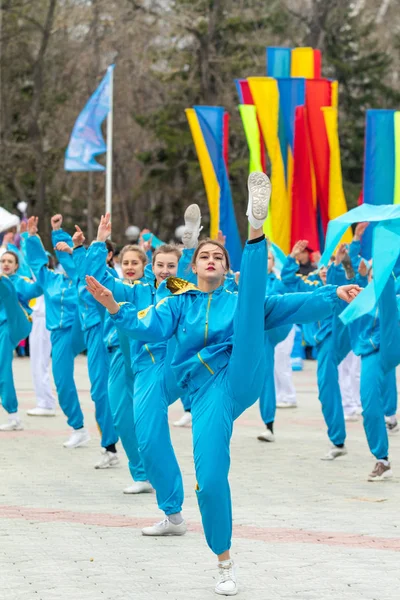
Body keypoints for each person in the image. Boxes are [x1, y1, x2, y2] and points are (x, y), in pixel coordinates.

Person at [86, 172, 361, 596]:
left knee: (254, 304)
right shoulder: (180, 301)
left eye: (218, 256)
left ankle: (256, 226)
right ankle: (221, 558)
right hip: (207, 389)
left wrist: (331, 294)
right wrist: (113, 307)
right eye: (204, 256)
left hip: (242, 368)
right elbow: (148, 323)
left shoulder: (240, 299)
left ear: (224, 267)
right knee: (210, 478)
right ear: (193, 266)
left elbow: (290, 304)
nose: (212, 260)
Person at [52, 215, 119, 469]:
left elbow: (90, 268)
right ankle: (107, 443)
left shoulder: (108, 276)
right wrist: (67, 240)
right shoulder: (85, 272)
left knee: (109, 392)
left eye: (99, 252)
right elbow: (78, 265)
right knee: (99, 392)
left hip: (109, 336)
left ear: (109, 256)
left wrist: (99, 239)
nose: (93, 254)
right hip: (90, 333)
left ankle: (116, 445)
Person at [24, 216, 89, 448]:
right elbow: (36, 264)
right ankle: (78, 427)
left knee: (106, 382)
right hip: (60, 334)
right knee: (62, 381)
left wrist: (59, 234)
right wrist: (33, 237)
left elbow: (80, 267)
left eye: (66, 257)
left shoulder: (81, 280)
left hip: (82, 327)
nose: (62, 260)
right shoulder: (49, 279)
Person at [0, 251, 40, 430]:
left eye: (10, 261)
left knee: (8, 289)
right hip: (3, 328)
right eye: (3, 261)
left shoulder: (21, 281)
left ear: (17, 266)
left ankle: (13, 414)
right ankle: (14, 417)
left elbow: (38, 288)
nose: (6, 263)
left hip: (18, 323)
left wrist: (42, 271)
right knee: (3, 368)